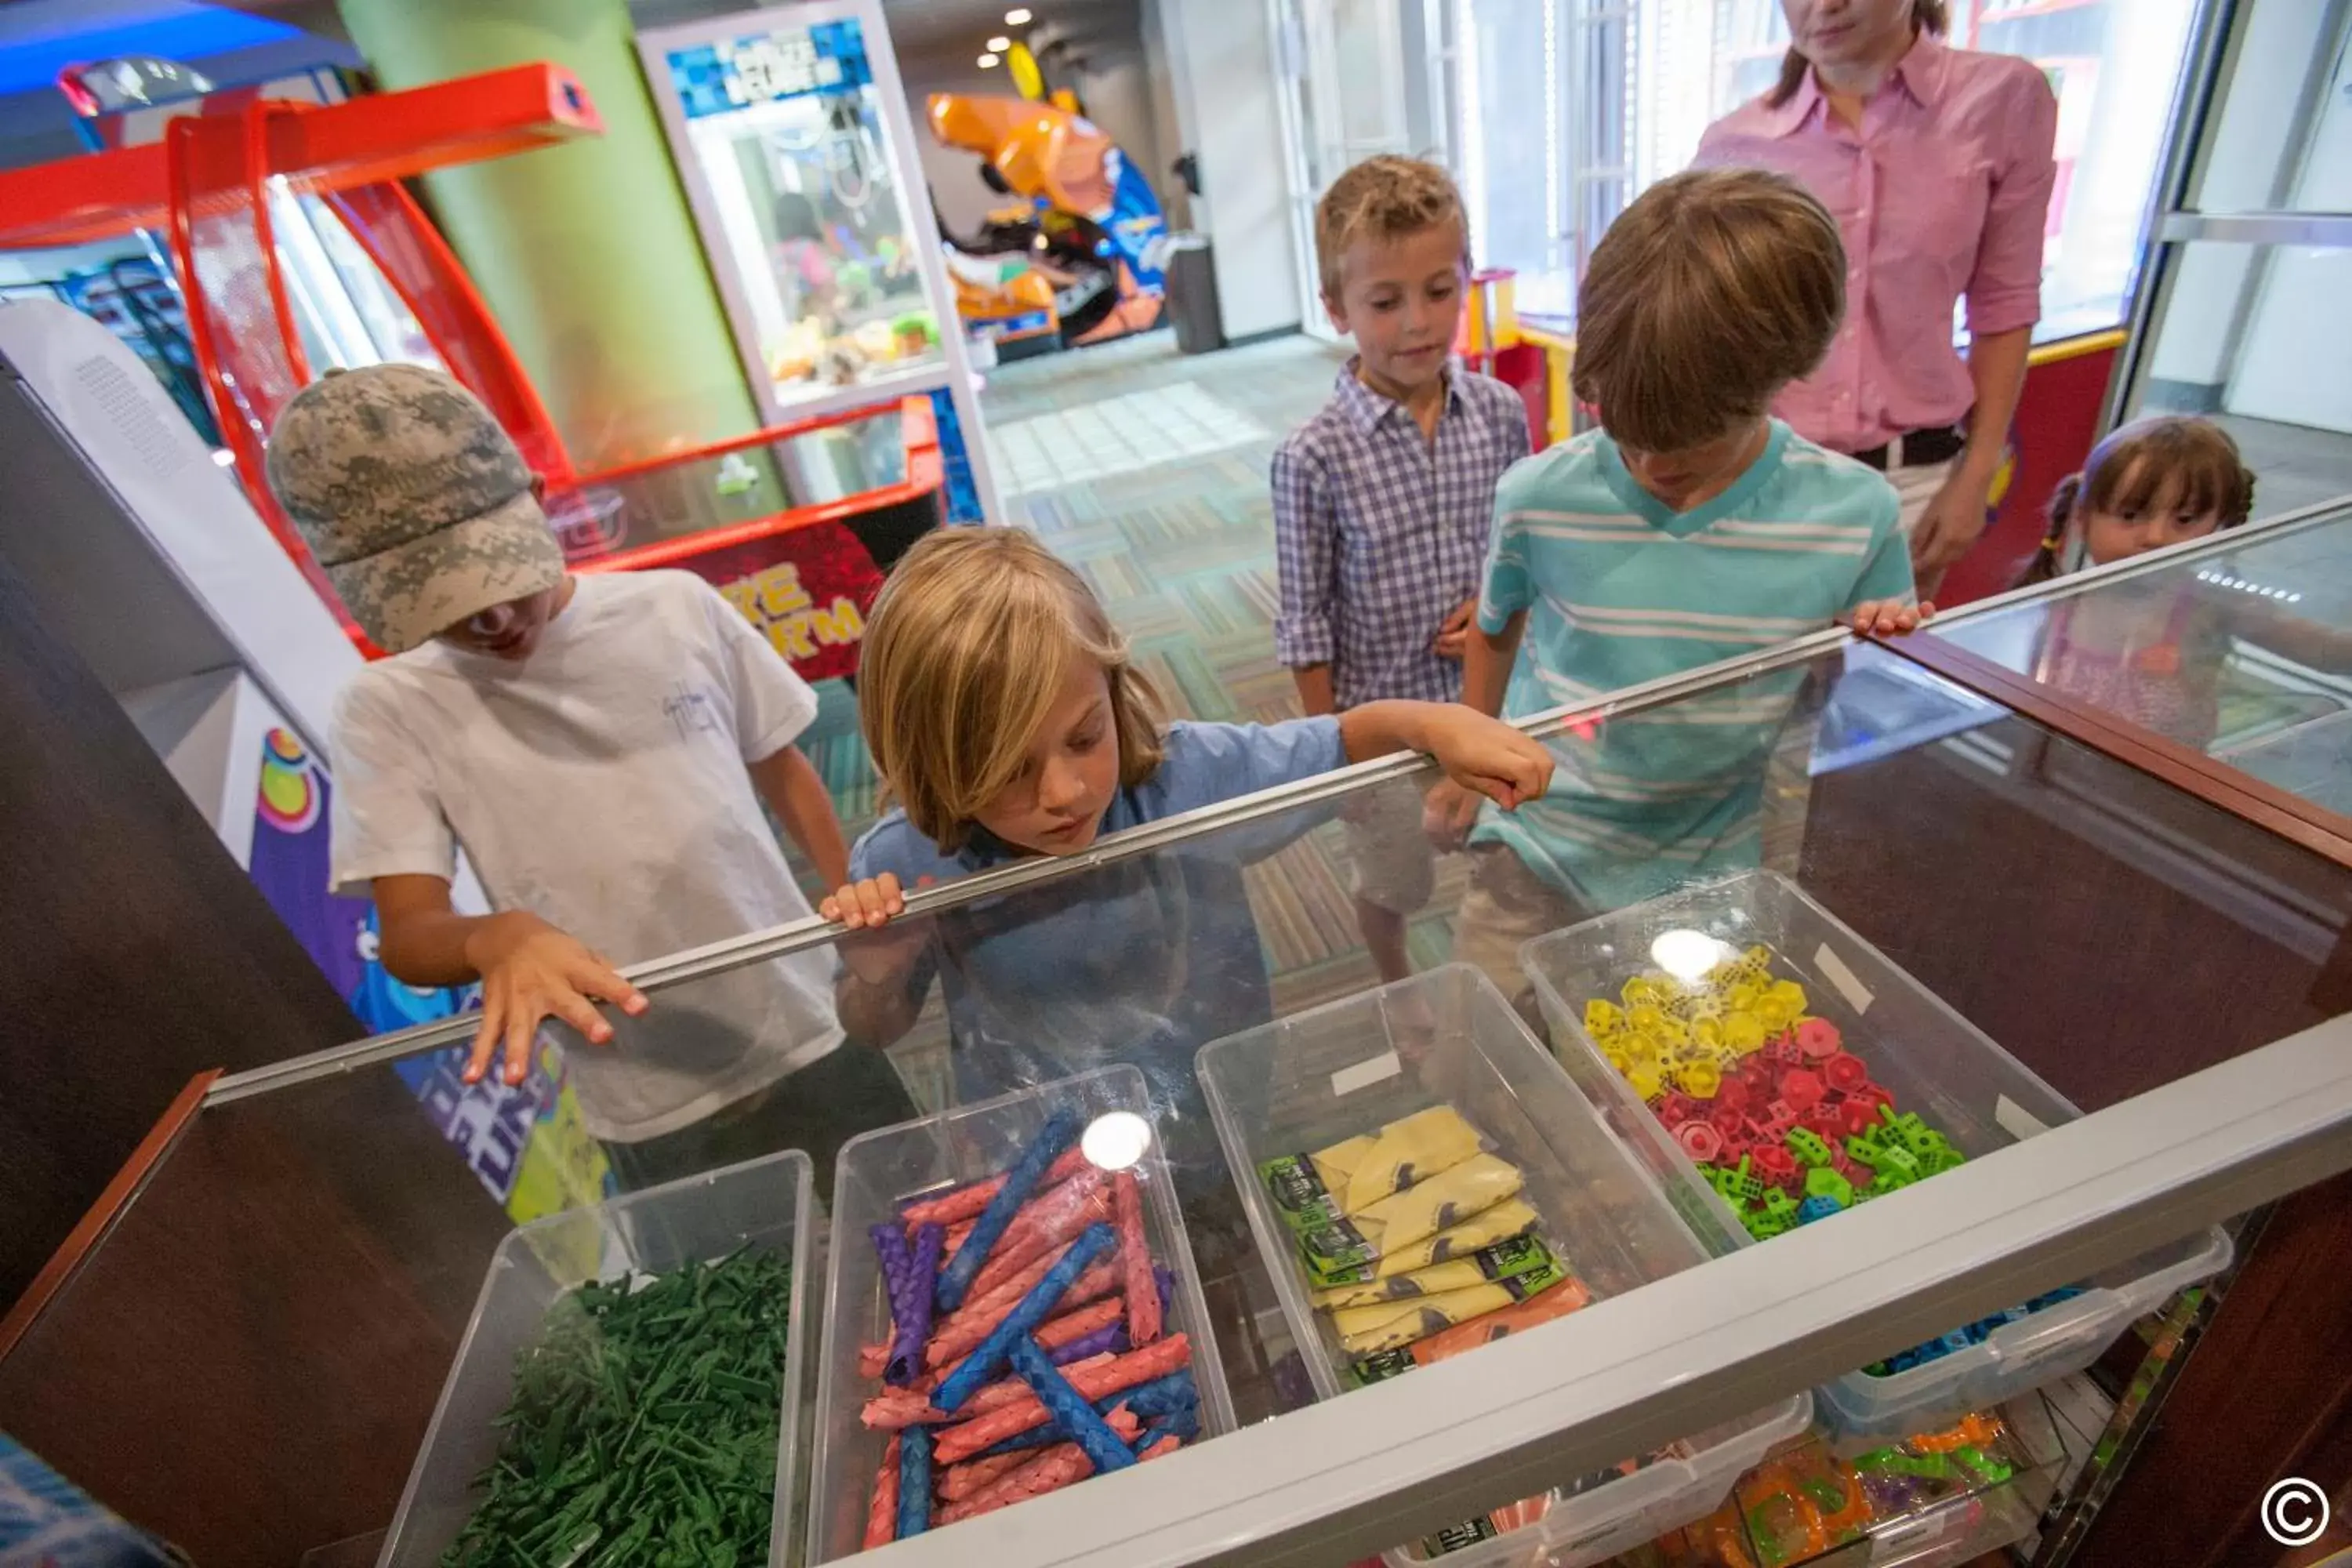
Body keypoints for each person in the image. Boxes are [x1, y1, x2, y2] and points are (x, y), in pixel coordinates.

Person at [269, 363, 914, 1190]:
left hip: (805, 1017)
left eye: (493, 576)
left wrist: (850, 910)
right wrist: (491, 935)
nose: (492, 618)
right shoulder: (387, 707)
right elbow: (408, 928)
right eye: (438, 600)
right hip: (644, 1091)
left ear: (536, 501)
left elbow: (782, 768)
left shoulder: (675, 608)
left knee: (918, 1226)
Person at [818, 527, 1552, 1185]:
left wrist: (1442, 722)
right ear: (927, 758)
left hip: (1213, 1112)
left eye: (1084, 737)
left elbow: (1344, 740)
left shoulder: (1183, 775)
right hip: (1034, 1157)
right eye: (1009, 769)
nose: (1067, 792)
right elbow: (875, 1025)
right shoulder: (904, 859)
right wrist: (876, 972)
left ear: (1111, 688)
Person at [1436, 168, 1916, 1011]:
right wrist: (1467, 768)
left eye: (1688, 438)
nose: (1652, 463)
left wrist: (1883, 637)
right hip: (1537, 844)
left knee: (1677, 1080)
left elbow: (1868, 695)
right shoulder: (1538, 494)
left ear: (1784, 367)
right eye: (1619, 426)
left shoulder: (1856, 514)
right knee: (1484, 1057)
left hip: (1707, 860)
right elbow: (1498, 626)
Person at [1272, 154, 1533, 985]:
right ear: (1336, 307)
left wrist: (1491, 602)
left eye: (1440, 289)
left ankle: (1503, 984)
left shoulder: (1499, 412)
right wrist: (1333, 758)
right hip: (1383, 731)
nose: (1419, 322)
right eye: (1385, 302)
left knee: (1504, 851)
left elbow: (1519, 552)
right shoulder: (1310, 457)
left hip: (1486, 699)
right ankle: (1395, 984)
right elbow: (1305, 624)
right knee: (1394, 879)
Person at [1696, 0, 2058, 596]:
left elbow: (2005, 301)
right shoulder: (1735, 142)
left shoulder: (2003, 99)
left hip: (1916, 476)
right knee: (1758, 681)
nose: (1824, 7)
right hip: (1768, 472)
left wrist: (1977, 473)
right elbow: (1708, 320)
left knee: (1880, 677)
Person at [2004, 416, 2350, 748]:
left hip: (2162, 787)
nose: (2156, 537)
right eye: (2130, 515)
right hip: (2063, 776)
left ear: (2219, 524)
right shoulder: (2064, 604)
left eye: (2184, 519)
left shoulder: (2212, 606)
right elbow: (2033, 710)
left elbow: (2322, 650)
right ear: (2082, 518)